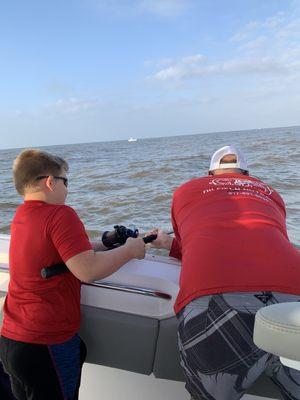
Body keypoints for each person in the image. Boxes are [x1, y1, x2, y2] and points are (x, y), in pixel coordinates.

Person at [151, 145, 300, 400]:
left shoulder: (186, 190)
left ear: (209, 174)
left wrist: (167, 243)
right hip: (293, 295)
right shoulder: (270, 192)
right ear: (246, 174)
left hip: (216, 296)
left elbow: (197, 243)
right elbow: (271, 242)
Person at [0, 149, 145, 400]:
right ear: (49, 181)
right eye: (66, 182)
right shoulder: (60, 214)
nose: (67, 189)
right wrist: (130, 251)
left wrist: (109, 243)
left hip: (12, 340)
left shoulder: (23, 215)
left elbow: (66, 252)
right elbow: (87, 270)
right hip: (46, 344)